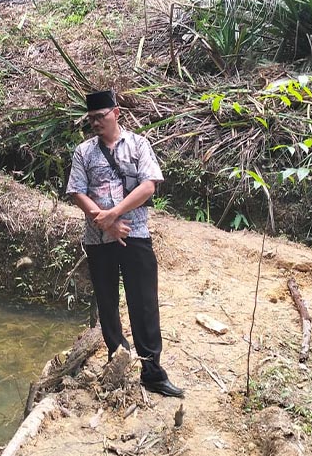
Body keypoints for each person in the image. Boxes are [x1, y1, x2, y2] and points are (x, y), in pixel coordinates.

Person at [66, 89, 184, 398]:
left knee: (143, 303)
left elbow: (148, 187)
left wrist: (115, 215)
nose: (95, 123)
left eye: (100, 117)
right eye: (90, 119)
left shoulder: (137, 145)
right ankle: (116, 361)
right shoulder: (84, 152)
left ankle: (152, 372)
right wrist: (103, 221)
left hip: (136, 234)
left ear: (116, 113)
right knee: (107, 303)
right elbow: (77, 191)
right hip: (97, 239)